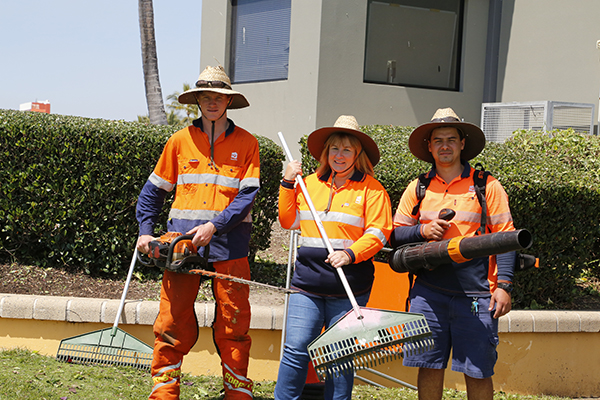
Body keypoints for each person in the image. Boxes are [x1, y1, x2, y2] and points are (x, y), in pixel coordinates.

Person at [136, 65, 260, 400]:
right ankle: (164, 393)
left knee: (234, 325)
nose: (212, 101)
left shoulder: (248, 143)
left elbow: (247, 197)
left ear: (228, 100)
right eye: (206, 95)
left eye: (218, 96)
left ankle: (237, 393)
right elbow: (153, 192)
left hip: (230, 246)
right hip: (181, 247)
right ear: (198, 101)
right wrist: (145, 231)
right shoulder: (178, 141)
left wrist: (214, 226)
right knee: (171, 321)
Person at [390, 108, 516, 400]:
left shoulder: (487, 185)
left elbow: (506, 237)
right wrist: (423, 231)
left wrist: (505, 287)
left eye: (451, 139)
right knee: (429, 366)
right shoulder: (418, 187)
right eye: (438, 140)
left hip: (477, 296)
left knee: (478, 370)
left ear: (462, 144)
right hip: (428, 293)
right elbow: (395, 235)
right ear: (430, 147)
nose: (444, 145)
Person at [275, 115, 392, 400]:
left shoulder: (372, 190)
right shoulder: (308, 184)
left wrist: (350, 254)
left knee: (340, 356)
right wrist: (287, 183)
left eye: (347, 150)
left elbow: (379, 233)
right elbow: (288, 221)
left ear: (358, 155)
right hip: (307, 285)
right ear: (326, 153)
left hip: (350, 287)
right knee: (296, 348)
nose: (339, 156)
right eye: (334, 149)